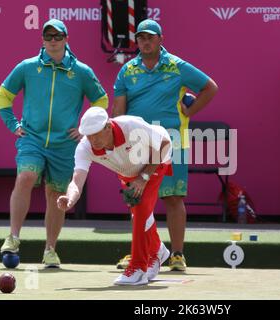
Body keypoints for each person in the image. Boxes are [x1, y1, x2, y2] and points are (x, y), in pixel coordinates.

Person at [0, 19, 108, 267]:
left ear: (66, 39)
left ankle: (50, 250)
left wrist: (85, 130)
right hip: (32, 138)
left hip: (64, 145)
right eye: (49, 36)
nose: (53, 41)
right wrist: (13, 124)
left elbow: (101, 101)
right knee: (26, 176)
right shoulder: (27, 67)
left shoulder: (81, 71)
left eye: (58, 36)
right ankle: (13, 237)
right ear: (42, 40)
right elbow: (3, 95)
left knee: (56, 195)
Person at [112, 19, 219, 271]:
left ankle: (177, 254)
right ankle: (140, 252)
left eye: (150, 37)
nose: (145, 42)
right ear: (136, 41)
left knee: (172, 197)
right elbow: (118, 110)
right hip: (136, 143)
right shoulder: (127, 71)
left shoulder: (177, 66)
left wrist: (190, 110)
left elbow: (209, 88)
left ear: (160, 39)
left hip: (171, 141)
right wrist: (118, 142)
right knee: (136, 200)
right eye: (141, 38)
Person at [57, 107, 172, 285]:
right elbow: (77, 181)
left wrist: (144, 177)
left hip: (156, 159)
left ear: (108, 127)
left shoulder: (130, 126)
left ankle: (138, 268)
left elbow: (164, 144)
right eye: (88, 135)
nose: (92, 140)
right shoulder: (85, 148)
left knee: (141, 208)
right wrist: (70, 198)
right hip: (128, 172)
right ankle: (158, 250)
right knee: (140, 214)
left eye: (96, 134)